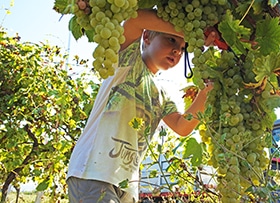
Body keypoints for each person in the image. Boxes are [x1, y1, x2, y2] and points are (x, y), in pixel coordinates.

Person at [67, 8, 216, 203]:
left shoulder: (160, 95)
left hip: (126, 185)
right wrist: (192, 34)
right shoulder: (127, 62)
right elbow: (135, 19)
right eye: (171, 40)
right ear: (146, 36)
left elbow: (182, 126)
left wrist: (206, 93)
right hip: (93, 172)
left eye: (183, 47)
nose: (177, 50)